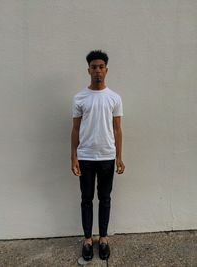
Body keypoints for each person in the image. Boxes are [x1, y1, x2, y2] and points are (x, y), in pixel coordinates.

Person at [71, 50, 125, 261]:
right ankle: (87, 239)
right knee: (86, 199)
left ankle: (102, 239)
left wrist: (119, 157)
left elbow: (118, 129)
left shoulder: (114, 98)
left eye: (101, 67)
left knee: (105, 198)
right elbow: (75, 129)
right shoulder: (79, 98)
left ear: (106, 70)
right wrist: (73, 157)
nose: (97, 71)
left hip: (107, 156)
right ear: (88, 70)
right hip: (85, 156)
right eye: (94, 67)